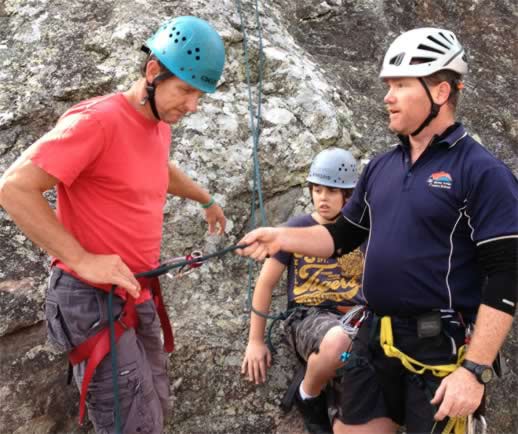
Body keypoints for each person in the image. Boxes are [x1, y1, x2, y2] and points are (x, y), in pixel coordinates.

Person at [237, 27, 517, 434]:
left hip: (441, 346)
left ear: (440, 92)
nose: (387, 97)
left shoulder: (482, 172)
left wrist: (475, 370)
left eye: (400, 85)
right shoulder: (382, 167)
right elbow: (341, 237)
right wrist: (281, 237)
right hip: (376, 335)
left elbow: (506, 275)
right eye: (388, 86)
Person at [0, 16, 226, 434]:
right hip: (90, 299)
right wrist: (82, 259)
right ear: (154, 72)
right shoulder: (97, 121)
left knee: (155, 407)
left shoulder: (156, 125)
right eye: (187, 91)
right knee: (133, 425)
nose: (193, 105)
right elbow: (15, 188)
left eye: (200, 95)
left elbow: (158, 166)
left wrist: (205, 199)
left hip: (131, 292)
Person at [241, 148, 365, 434]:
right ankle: (307, 395)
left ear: (348, 195)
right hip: (308, 315)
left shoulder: (360, 231)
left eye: (332, 192)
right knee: (339, 340)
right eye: (318, 190)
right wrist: (255, 341)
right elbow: (266, 283)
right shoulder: (298, 228)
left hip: (355, 315)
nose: (322, 198)